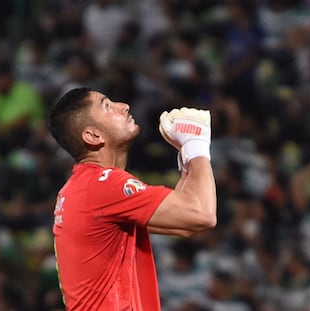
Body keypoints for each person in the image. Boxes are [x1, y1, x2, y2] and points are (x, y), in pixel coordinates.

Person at [47, 87, 217, 310]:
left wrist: (186, 154)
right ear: (93, 135)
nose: (123, 106)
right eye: (107, 106)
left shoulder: (86, 187)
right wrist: (197, 145)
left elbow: (184, 224)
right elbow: (202, 214)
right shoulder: (104, 185)